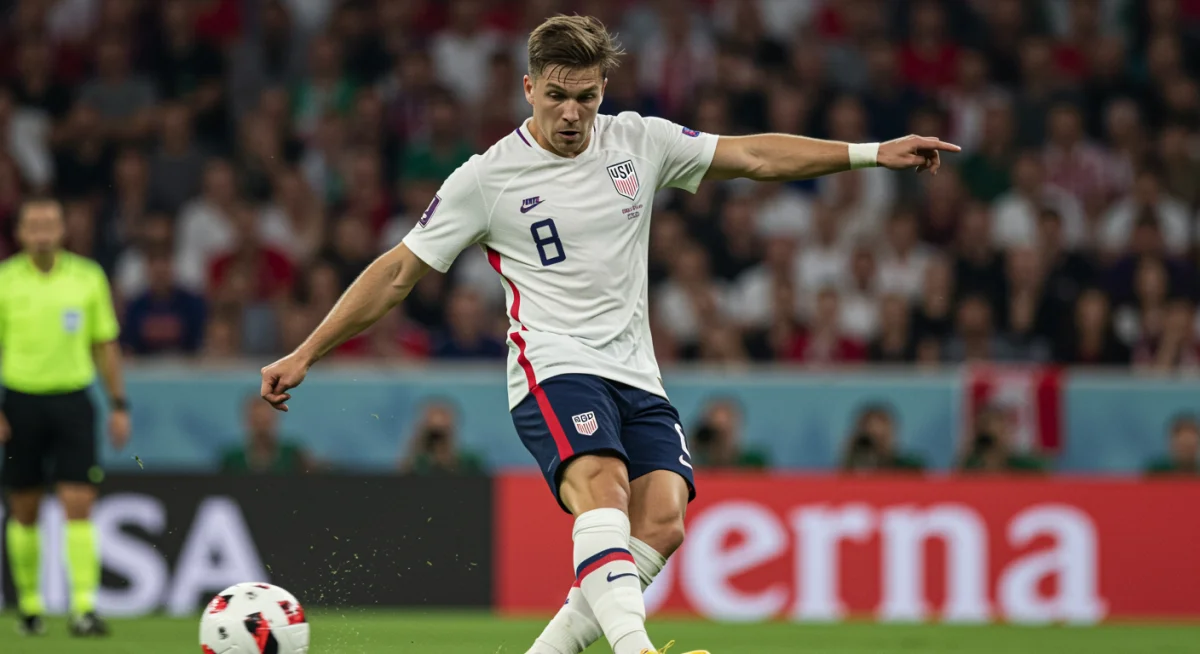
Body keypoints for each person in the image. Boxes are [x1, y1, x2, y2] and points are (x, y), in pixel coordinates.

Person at [259, 15, 958, 654]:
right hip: (553, 364)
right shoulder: (487, 179)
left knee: (664, 521)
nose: (571, 114)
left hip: (636, 372)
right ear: (528, 87)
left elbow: (755, 157)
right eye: (557, 95)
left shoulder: (638, 142)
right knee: (603, 487)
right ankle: (637, 651)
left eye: (586, 97)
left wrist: (872, 153)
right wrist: (306, 350)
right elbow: (397, 273)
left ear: (604, 90)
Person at [0, 198, 130, 637]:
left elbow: (105, 344)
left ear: (62, 230)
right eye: (33, 223)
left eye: (49, 223)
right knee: (24, 509)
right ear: (19, 233)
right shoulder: (4, 281)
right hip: (19, 403)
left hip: (74, 402)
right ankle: (31, 608)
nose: (41, 231)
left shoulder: (87, 277)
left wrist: (117, 403)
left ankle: (83, 609)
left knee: (79, 504)